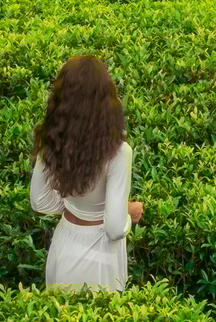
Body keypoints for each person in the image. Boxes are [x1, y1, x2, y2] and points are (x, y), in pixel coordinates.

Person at [30, 55, 143, 291]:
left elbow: (39, 201)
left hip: (63, 246)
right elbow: (113, 229)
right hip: (100, 257)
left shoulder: (51, 139)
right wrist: (128, 212)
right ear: (107, 98)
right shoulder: (119, 152)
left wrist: (77, 207)